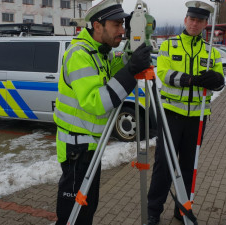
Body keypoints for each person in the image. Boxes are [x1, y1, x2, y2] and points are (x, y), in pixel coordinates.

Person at [53, 0, 152, 224]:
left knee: (87, 209)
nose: (122, 30)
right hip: (76, 148)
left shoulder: (100, 52)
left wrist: (133, 54)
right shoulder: (80, 54)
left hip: (89, 145)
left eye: (123, 25)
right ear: (97, 26)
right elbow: (97, 103)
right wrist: (131, 71)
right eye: (116, 25)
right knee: (74, 213)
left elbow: (118, 68)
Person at [147, 1, 225, 225]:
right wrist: (191, 80)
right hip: (171, 116)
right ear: (185, 20)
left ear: (205, 24)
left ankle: (183, 209)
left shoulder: (212, 51)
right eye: (192, 19)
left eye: (200, 20)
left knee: (190, 166)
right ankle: (153, 211)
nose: (195, 23)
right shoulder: (169, 46)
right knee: (164, 165)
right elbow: (163, 73)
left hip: (197, 119)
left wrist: (217, 81)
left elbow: (218, 81)